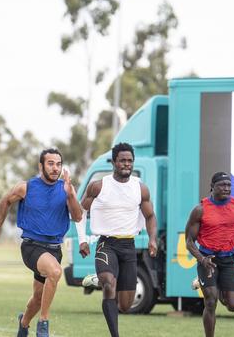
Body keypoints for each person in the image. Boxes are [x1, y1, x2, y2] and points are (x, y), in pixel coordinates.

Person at [0, 148, 82, 337]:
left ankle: (24, 323)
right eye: (51, 163)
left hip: (54, 249)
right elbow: (5, 201)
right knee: (55, 272)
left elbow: (77, 217)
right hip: (32, 246)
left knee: (38, 298)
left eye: (58, 164)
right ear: (41, 166)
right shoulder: (26, 187)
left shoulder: (66, 188)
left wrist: (70, 194)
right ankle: (43, 323)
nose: (55, 168)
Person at [76, 142, 157, 337]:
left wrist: (152, 239)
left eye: (130, 161)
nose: (126, 164)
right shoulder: (99, 186)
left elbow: (150, 216)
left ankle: (100, 278)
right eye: (122, 160)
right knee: (109, 284)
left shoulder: (140, 188)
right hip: (106, 244)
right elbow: (80, 211)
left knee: (125, 305)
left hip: (129, 246)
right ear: (114, 162)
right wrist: (82, 240)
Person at [185, 171, 234, 337]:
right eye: (222, 185)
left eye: (229, 185)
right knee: (211, 301)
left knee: (233, 305)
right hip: (207, 260)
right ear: (212, 187)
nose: (226, 188)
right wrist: (202, 260)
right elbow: (189, 242)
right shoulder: (200, 210)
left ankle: (212, 284)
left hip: (227, 260)